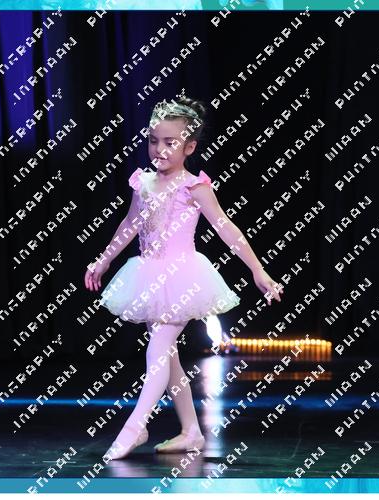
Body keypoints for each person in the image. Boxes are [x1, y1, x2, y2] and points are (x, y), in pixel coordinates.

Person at [83, 96, 283, 460]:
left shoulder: (194, 187)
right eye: (153, 140)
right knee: (168, 357)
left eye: (169, 142)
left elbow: (226, 228)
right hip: (147, 274)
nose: (159, 149)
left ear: (189, 147)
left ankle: (136, 426)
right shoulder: (143, 182)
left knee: (158, 351)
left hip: (183, 278)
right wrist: (104, 259)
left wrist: (258, 269)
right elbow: (130, 223)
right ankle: (191, 431)